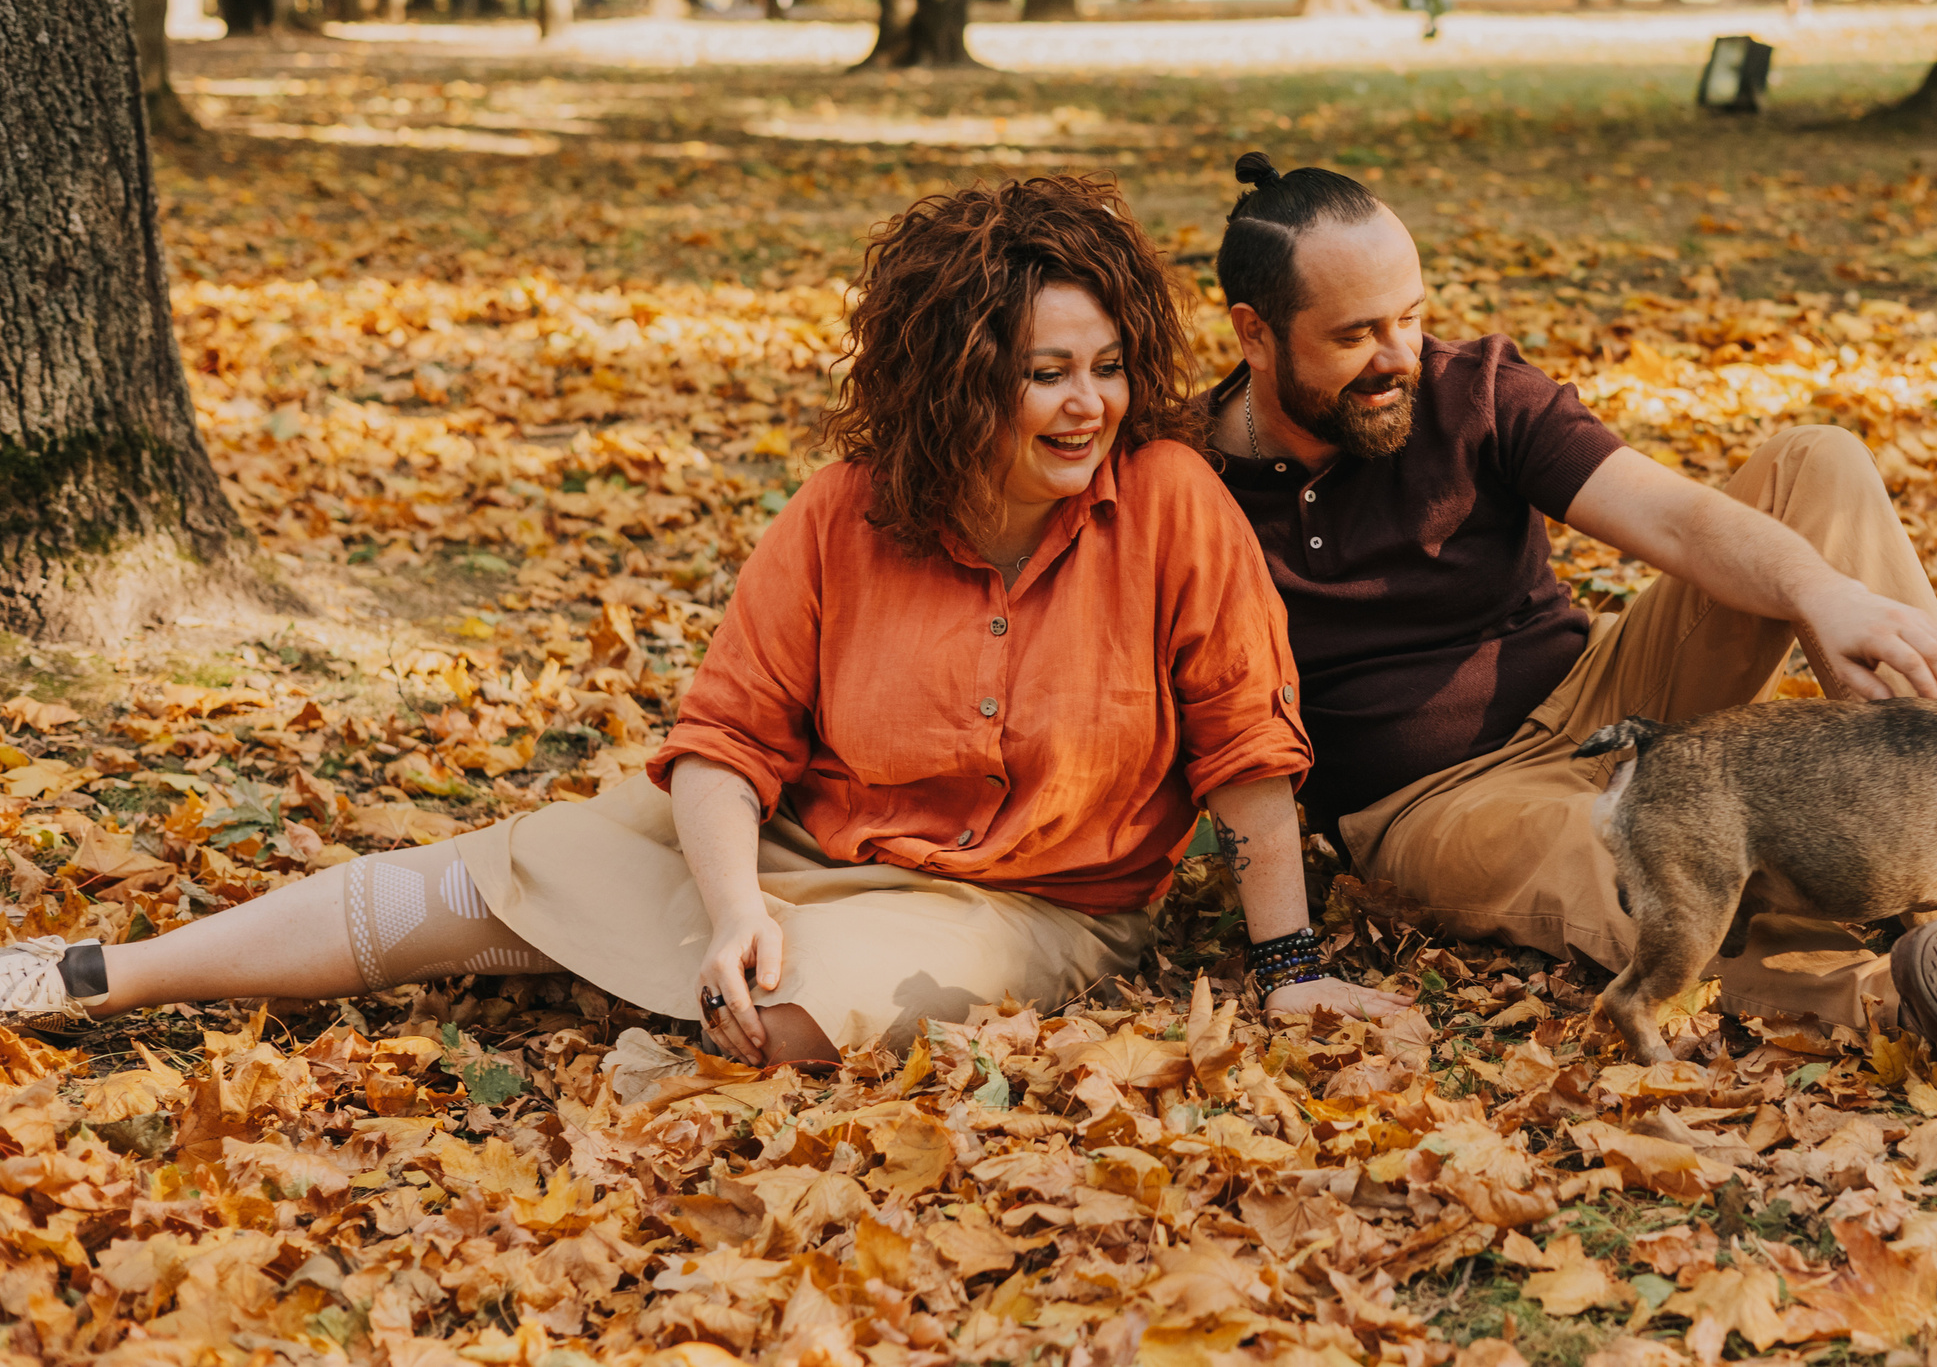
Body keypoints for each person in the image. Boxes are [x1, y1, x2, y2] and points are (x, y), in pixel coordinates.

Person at [1, 177, 1406, 1060]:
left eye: (1106, 367)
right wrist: (734, 897)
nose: (1088, 404)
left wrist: (1289, 969)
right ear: (961, 379)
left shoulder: (1168, 501)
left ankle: (653, 978)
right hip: (794, 831)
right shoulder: (850, 505)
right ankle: (92, 976)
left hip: (1033, 900)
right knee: (461, 884)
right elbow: (729, 735)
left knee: (796, 1013)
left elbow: (1247, 751)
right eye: (1046, 373)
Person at [1199, 153, 1937, 1068]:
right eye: (1358, 334)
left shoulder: (1471, 389)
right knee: (1639, 871)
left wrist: (1819, 589)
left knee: (1817, 462)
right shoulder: (1193, 489)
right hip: (1437, 797)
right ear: (1255, 332)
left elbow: (1676, 518)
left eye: (1412, 316)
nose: (1402, 355)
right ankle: (1903, 990)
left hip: (1599, 686)